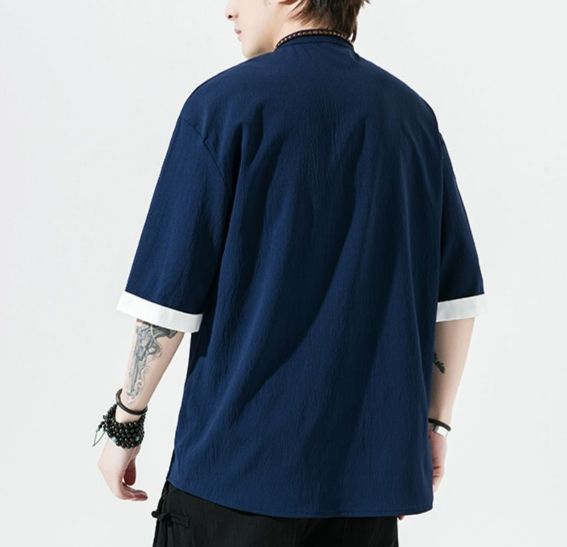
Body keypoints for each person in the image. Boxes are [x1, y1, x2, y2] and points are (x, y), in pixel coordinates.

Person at [94, 1, 487, 545]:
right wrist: (434, 425)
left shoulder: (222, 106)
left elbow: (168, 300)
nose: (228, 9)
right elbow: (456, 299)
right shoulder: (411, 118)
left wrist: (125, 422)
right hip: (364, 488)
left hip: (233, 477)